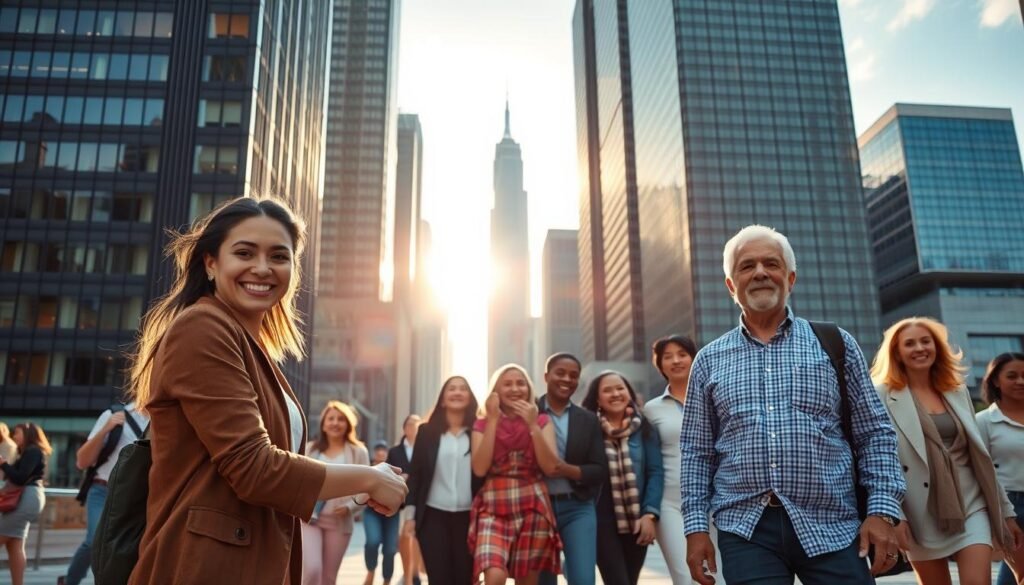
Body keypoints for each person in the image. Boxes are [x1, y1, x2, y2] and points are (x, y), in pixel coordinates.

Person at [124, 197, 407, 584]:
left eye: (279, 256)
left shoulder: (252, 347)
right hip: (202, 567)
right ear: (210, 262)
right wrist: (369, 478)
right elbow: (254, 467)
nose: (262, 268)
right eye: (244, 252)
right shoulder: (203, 328)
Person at [681, 224, 907, 585]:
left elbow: (874, 434)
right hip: (745, 530)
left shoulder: (835, 344)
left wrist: (881, 511)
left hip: (834, 523)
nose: (759, 273)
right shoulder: (708, 360)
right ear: (730, 285)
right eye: (746, 266)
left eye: (771, 263)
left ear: (790, 278)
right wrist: (695, 530)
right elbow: (696, 452)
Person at [872, 319, 1024, 585]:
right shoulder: (881, 394)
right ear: (896, 352)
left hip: (971, 503)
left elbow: (980, 459)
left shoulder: (956, 390)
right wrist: (894, 516)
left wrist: (1006, 512)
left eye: (926, 341)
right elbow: (880, 459)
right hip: (918, 508)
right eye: (910, 343)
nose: (920, 348)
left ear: (937, 347)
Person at [470, 364, 563, 585]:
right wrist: (493, 420)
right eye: (507, 384)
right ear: (496, 391)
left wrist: (532, 423)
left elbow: (551, 466)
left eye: (520, 383)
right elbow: (480, 468)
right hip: (493, 505)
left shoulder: (542, 421)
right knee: (494, 576)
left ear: (528, 389)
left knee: (527, 580)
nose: (515, 389)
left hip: (532, 504)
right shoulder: (482, 423)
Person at [581, 371, 664, 585]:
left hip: (637, 520)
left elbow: (655, 472)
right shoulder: (588, 429)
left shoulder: (645, 428)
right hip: (601, 521)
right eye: (607, 390)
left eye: (620, 388)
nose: (615, 393)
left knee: (630, 580)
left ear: (629, 393)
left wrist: (650, 515)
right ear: (597, 399)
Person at [537, 352, 607, 585]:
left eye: (573, 375)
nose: (567, 379)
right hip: (538, 508)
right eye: (560, 373)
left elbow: (599, 470)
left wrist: (565, 469)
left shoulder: (588, 420)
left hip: (578, 507)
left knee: (583, 579)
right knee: (543, 581)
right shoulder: (529, 412)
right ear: (546, 376)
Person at [646, 334, 710, 584]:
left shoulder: (711, 398)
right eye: (667, 356)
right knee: (685, 577)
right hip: (669, 504)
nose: (675, 361)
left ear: (694, 358)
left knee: (717, 575)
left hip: (712, 501)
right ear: (660, 365)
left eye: (682, 354)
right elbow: (647, 463)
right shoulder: (651, 409)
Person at [62, 403, 149, 585]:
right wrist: (106, 428)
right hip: (103, 490)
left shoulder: (161, 417)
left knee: (132, 547)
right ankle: (70, 581)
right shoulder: (114, 414)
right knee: (95, 542)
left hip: (137, 496)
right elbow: (82, 461)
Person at [406, 376, 481, 585]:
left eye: (463, 389)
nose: (457, 392)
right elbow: (416, 476)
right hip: (432, 517)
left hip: (470, 518)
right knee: (439, 578)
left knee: (465, 578)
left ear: (470, 397)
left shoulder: (479, 431)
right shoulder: (426, 432)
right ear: (442, 399)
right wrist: (410, 517)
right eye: (452, 389)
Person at [304, 401, 371, 585]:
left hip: (340, 523)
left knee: (328, 577)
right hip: (309, 519)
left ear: (348, 424)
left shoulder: (358, 451)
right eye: (330, 418)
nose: (335, 422)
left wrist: (350, 507)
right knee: (311, 571)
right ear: (323, 424)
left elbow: (367, 487)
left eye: (340, 419)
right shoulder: (310, 449)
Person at [977, 353, 1024, 585]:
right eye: (1012, 376)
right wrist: (1002, 515)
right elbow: (979, 470)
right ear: (995, 380)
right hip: (1010, 507)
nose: (1021, 381)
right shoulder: (983, 421)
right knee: (1017, 575)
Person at [0, 422, 51, 585]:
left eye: (17, 433)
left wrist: (3, 464)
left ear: (27, 434)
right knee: (14, 545)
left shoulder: (33, 451)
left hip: (26, 497)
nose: (14, 437)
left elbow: (20, 477)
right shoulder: (29, 452)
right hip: (28, 498)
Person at [388, 414, 423, 585]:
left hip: (422, 499)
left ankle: (415, 573)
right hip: (402, 500)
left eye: (417, 424)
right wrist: (402, 476)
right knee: (405, 537)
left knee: (417, 537)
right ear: (405, 428)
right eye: (410, 424)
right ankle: (408, 577)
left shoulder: (427, 448)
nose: (413, 427)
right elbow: (388, 473)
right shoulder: (395, 451)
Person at [365, 439, 401, 585]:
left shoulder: (394, 471)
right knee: (373, 541)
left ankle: (387, 580)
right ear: (374, 453)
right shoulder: (366, 469)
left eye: (383, 449)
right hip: (371, 512)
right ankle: (371, 570)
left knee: (390, 549)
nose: (380, 452)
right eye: (378, 449)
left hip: (391, 514)